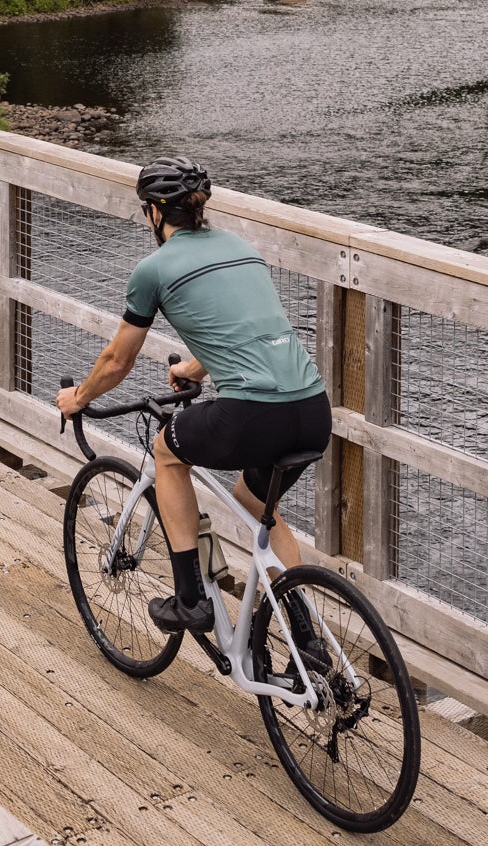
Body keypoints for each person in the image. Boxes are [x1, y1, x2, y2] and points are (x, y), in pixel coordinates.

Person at [55, 156, 330, 633]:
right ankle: (307, 638)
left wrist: (78, 398)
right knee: (254, 503)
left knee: (167, 452)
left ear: (155, 214)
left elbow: (118, 361)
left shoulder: (153, 269)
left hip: (251, 413)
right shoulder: (241, 248)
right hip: (311, 408)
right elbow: (246, 331)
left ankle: (190, 601)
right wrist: (193, 366)